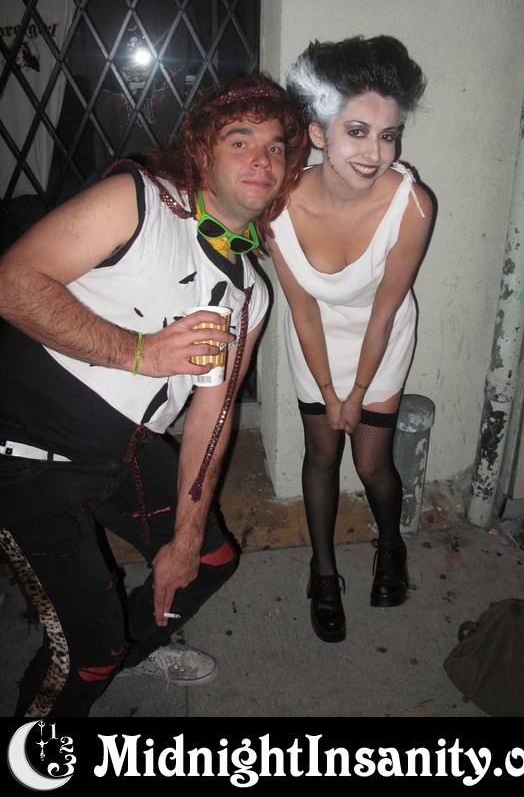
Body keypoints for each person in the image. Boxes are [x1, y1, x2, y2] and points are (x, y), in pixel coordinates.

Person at [0, 72, 307, 716]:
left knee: (210, 560)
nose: (262, 158)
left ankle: (127, 651)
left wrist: (186, 538)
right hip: (25, 453)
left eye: (276, 146)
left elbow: (213, 416)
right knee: (86, 655)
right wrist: (139, 352)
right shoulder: (138, 200)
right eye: (240, 140)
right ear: (201, 152)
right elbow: (13, 284)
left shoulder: (252, 292)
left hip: (126, 453)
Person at [265, 36, 432, 643]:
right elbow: (302, 310)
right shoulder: (278, 207)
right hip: (314, 339)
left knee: (371, 462)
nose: (376, 152)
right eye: (357, 132)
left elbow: (384, 313)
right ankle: (323, 572)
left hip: (379, 341)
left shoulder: (412, 206)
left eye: (389, 135)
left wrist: (356, 394)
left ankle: (391, 548)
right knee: (321, 455)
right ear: (318, 133)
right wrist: (330, 393)